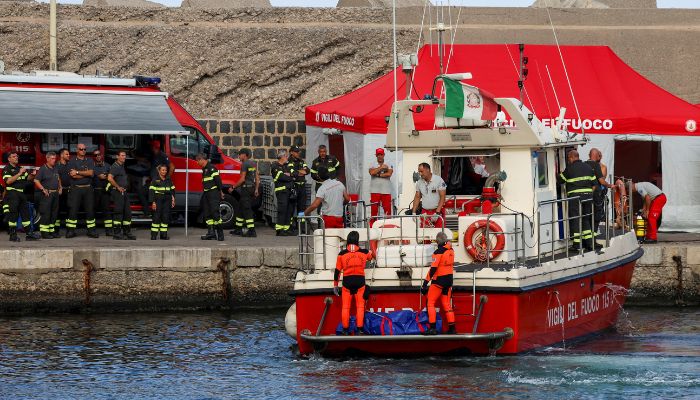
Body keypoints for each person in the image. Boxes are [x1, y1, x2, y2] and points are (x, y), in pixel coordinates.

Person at [557, 150, 599, 252]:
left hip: (575, 198)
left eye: (568, 159)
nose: (568, 160)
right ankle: (590, 244)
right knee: (586, 219)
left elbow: (560, 180)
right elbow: (595, 184)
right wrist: (589, 193)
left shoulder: (569, 169)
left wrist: (559, 173)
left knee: (575, 219)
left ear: (571, 157)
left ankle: (577, 245)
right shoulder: (588, 167)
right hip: (588, 197)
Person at [334, 230, 374, 335]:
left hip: (347, 283)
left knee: (345, 307)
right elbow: (372, 256)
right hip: (360, 282)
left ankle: (345, 330)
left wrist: (335, 285)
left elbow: (337, 271)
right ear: (357, 241)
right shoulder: (364, 252)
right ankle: (360, 329)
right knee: (360, 307)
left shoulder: (341, 254)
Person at [420, 232, 456, 335]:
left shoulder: (438, 252)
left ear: (437, 241)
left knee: (430, 303)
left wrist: (425, 283)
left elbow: (433, 269)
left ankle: (432, 328)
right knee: (447, 304)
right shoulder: (451, 250)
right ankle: (452, 328)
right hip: (449, 281)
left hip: (438, 281)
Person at [2, 152, 40, 242]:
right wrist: (19, 173)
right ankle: (13, 235)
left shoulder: (20, 168)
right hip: (12, 193)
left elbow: (28, 178)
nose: (16, 158)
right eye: (14, 156)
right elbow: (8, 181)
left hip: (22, 194)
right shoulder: (7, 169)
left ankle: (29, 234)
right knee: (13, 215)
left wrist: (33, 174)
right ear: (9, 159)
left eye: (17, 156)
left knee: (26, 214)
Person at [66, 143, 97, 238]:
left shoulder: (90, 160)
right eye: (81, 149)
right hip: (76, 189)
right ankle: (71, 231)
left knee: (90, 210)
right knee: (73, 210)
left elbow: (91, 173)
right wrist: (85, 174)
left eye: (84, 149)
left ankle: (91, 231)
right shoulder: (71, 161)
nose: (83, 151)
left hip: (88, 188)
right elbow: (72, 175)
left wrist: (78, 172)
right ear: (77, 150)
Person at [228, 148, 259, 238]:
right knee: (240, 208)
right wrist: (256, 189)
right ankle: (238, 229)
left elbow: (242, 179)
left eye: (240, 154)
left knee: (246, 209)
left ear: (244, 155)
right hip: (251, 188)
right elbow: (257, 178)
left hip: (246, 189)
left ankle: (252, 231)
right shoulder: (253, 164)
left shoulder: (245, 164)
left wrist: (233, 187)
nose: (239, 156)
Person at [108, 150, 136, 240]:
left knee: (127, 213)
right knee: (118, 213)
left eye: (125, 155)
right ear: (117, 156)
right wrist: (117, 187)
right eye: (122, 155)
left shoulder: (121, 166)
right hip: (118, 192)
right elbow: (110, 178)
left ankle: (127, 232)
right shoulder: (115, 166)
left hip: (124, 192)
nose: (124, 157)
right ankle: (117, 233)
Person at [196, 153, 224, 241]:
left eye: (198, 160)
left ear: (201, 159)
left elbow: (218, 181)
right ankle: (211, 233)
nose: (197, 162)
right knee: (207, 213)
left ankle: (220, 234)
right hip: (206, 193)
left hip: (213, 193)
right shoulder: (204, 169)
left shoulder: (212, 168)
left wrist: (221, 191)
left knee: (215, 213)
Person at [34, 152, 62, 239]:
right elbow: (36, 180)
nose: (55, 160)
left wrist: (60, 187)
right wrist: (43, 189)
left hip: (55, 194)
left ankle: (51, 231)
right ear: (47, 159)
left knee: (54, 213)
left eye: (55, 158)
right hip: (47, 195)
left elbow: (58, 178)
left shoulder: (55, 168)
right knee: (46, 214)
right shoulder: (43, 169)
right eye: (53, 158)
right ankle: (44, 233)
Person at [410, 163, 447, 228]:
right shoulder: (419, 182)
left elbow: (442, 197)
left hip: (437, 212)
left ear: (428, 170)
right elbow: (417, 197)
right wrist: (413, 213)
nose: (420, 174)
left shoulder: (439, 180)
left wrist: (437, 213)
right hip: (425, 213)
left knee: (439, 235)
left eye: (422, 171)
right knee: (425, 235)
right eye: (419, 172)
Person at [585, 148, 613, 231]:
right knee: (594, 214)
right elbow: (601, 180)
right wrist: (610, 185)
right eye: (599, 155)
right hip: (595, 192)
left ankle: (592, 230)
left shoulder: (602, 166)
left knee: (592, 213)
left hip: (594, 191)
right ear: (597, 156)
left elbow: (603, 177)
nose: (600, 157)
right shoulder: (595, 165)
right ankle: (593, 233)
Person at [149, 164, 175, 240]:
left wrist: (173, 199)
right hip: (158, 200)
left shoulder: (168, 179)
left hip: (167, 200)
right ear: (159, 171)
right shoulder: (155, 179)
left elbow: (172, 190)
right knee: (156, 217)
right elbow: (151, 191)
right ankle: (153, 235)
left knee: (165, 217)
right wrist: (153, 202)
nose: (164, 171)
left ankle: (163, 235)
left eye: (165, 170)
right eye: (163, 170)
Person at [271, 150, 294, 236]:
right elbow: (281, 177)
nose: (287, 158)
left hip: (289, 191)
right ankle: (279, 230)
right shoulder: (275, 166)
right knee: (282, 210)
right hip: (281, 192)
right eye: (286, 156)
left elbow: (292, 174)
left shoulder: (286, 166)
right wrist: (289, 176)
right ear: (282, 156)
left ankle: (286, 229)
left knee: (289, 210)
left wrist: (290, 175)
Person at [368, 148, 393, 224]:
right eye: (378, 154)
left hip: (386, 191)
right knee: (374, 212)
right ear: (376, 155)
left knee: (387, 212)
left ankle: (388, 227)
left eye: (381, 154)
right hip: (374, 191)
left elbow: (389, 174)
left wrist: (378, 174)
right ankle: (372, 228)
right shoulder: (372, 163)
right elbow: (372, 173)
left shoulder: (389, 162)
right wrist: (381, 168)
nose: (379, 156)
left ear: (384, 155)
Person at [288, 145, 310, 230]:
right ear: (292, 152)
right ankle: (289, 226)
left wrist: (300, 172)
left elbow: (307, 170)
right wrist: (300, 172)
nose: (298, 153)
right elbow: (292, 172)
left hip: (302, 187)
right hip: (294, 186)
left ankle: (301, 226)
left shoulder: (301, 161)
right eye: (296, 152)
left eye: (298, 152)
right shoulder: (289, 161)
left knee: (302, 207)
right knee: (291, 207)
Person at [92, 149, 112, 236]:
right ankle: (92, 230)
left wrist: (106, 176)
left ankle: (109, 230)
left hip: (105, 191)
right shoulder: (91, 166)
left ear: (101, 155)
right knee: (92, 211)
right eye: (95, 155)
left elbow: (112, 177)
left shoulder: (108, 166)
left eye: (98, 154)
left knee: (106, 211)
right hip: (94, 191)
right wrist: (98, 176)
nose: (97, 156)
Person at [56, 148, 71, 234]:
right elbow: (57, 177)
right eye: (67, 154)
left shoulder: (70, 165)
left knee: (69, 210)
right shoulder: (57, 165)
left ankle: (69, 230)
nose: (69, 155)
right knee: (58, 210)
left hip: (69, 190)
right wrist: (60, 187)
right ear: (62, 155)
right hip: (60, 191)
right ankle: (56, 230)